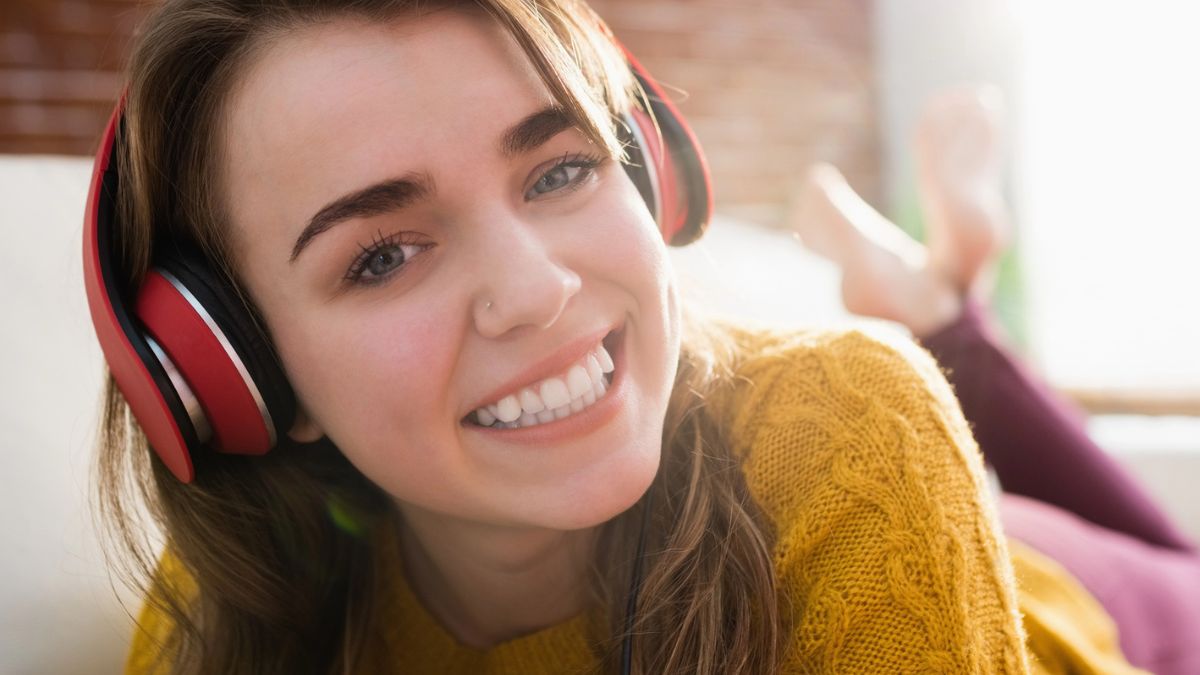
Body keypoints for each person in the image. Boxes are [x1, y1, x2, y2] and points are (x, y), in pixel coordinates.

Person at [82, 1, 1180, 673]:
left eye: (560, 170)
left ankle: (947, 319)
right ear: (247, 378)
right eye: (382, 255)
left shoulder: (850, 418)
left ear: (647, 171)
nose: (537, 289)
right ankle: (942, 303)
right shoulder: (241, 613)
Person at [791, 85, 1200, 675]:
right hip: (1032, 554)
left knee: (1181, 578)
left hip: (1042, 579)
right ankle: (945, 311)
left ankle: (947, 315)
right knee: (1177, 569)